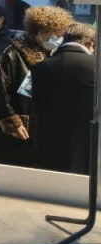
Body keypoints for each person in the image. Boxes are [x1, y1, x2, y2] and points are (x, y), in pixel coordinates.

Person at [0, 6, 73, 167]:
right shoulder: (12, 54)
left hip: (43, 127)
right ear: (41, 31)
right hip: (21, 126)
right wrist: (12, 122)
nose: (59, 38)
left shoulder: (53, 54)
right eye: (56, 34)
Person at [33, 23, 96, 175]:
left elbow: (29, 99)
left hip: (47, 138)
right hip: (86, 140)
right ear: (90, 44)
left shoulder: (40, 67)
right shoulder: (95, 67)